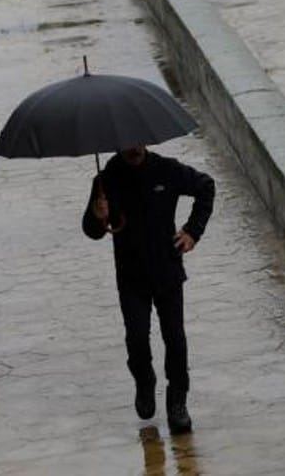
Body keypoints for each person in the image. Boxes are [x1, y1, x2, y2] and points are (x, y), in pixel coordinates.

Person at [82, 145, 215, 434]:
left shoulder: (167, 169)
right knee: (137, 338)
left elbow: (206, 187)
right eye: (126, 142)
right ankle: (145, 381)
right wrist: (96, 214)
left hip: (167, 271)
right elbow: (92, 231)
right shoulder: (106, 180)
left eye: (137, 141)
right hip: (131, 277)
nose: (133, 147)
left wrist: (193, 231)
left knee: (175, 339)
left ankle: (177, 401)